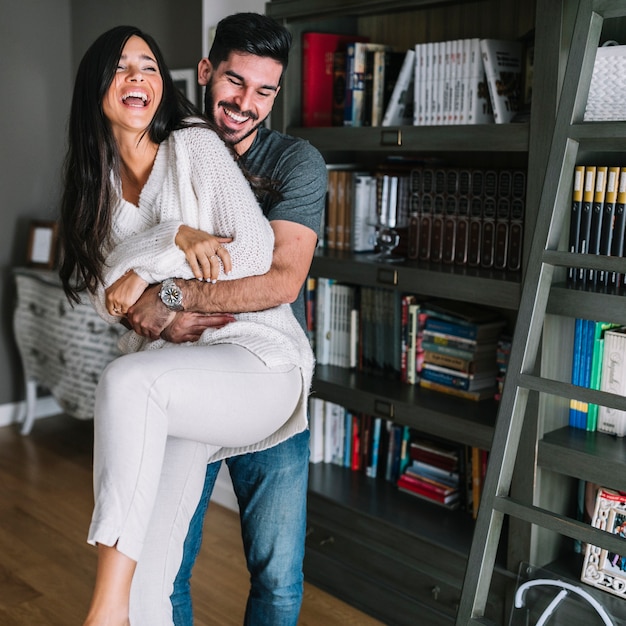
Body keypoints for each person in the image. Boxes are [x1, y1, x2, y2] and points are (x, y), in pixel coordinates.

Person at [58, 24, 316, 626]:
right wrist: (173, 238)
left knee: (276, 573)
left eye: (147, 65)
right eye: (121, 68)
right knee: (155, 574)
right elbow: (106, 297)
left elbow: (260, 262)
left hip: (256, 357)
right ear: (205, 74)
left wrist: (159, 286)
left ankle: (103, 612)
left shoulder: (198, 146)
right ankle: (125, 606)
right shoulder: (92, 185)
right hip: (176, 378)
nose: (137, 78)